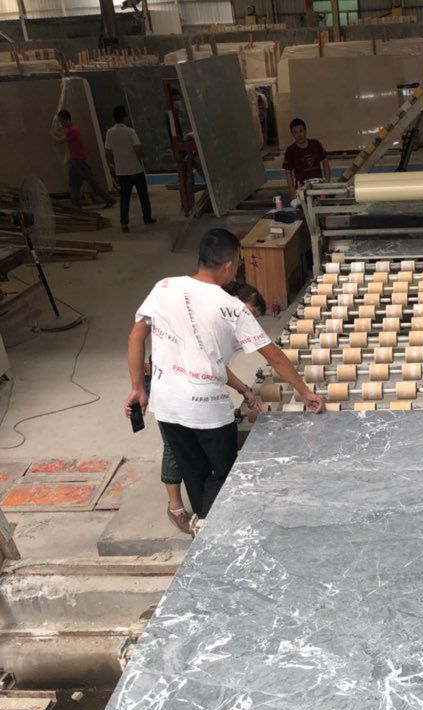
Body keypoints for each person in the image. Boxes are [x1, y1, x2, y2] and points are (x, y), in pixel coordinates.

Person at [126, 228, 324, 530]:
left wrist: (138, 388)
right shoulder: (231, 307)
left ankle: (200, 526)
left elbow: (135, 338)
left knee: (194, 471)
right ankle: (211, 529)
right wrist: (305, 392)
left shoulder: (163, 286)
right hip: (207, 410)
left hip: (166, 406)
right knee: (222, 474)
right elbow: (274, 357)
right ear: (229, 264)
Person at [156, 283, 268, 534]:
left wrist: (244, 390)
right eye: (249, 313)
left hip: (187, 390)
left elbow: (215, 365)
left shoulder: (219, 321)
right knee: (179, 452)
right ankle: (177, 508)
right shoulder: (205, 317)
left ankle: (205, 521)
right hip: (172, 389)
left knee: (199, 462)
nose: (248, 321)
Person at [104, 105, 157, 233]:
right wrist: (142, 156)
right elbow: (137, 148)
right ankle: (147, 217)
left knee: (124, 198)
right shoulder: (130, 131)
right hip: (135, 169)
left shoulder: (109, 132)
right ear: (124, 117)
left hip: (121, 171)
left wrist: (110, 164)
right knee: (143, 196)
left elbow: (108, 151)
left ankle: (124, 223)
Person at [50, 109, 114, 210]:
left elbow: (60, 141)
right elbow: (65, 140)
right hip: (75, 161)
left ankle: (108, 199)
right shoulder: (71, 130)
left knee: (90, 182)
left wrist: (51, 134)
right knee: (75, 184)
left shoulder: (72, 130)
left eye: (62, 121)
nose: (61, 124)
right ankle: (76, 204)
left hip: (79, 161)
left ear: (67, 119)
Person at [282, 118, 330, 200]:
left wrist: (327, 182)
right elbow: (288, 171)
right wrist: (292, 192)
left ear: (305, 131)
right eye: (295, 132)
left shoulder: (316, 144)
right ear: (292, 134)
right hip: (302, 190)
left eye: (301, 131)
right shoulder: (290, 151)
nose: (299, 135)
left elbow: (325, 161)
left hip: (319, 188)